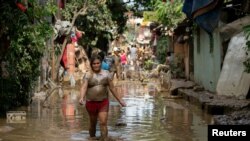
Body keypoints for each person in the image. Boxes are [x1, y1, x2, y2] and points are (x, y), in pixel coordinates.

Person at [79, 55, 126, 141]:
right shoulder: (88, 75)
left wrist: (120, 100)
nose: (96, 65)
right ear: (91, 64)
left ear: (101, 63)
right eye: (94, 64)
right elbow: (84, 87)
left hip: (103, 102)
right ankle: (92, 138)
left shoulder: (106, 74)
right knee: (93, 123)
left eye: (98, 63)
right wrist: (81, 97)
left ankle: (104, 139)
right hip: (91, 102)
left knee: (103, 122)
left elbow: (112, 88)